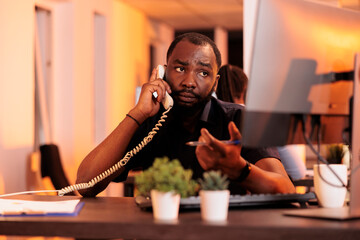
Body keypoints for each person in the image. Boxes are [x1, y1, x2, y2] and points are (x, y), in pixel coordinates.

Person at [76, 32, 295, 197]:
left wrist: (238, 168)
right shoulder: (152, 121)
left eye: (203, 72)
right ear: (163, 72)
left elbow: (286, 189)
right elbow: (86, 182)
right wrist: (138, 113)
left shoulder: (238, 119)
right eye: (180, 69)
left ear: (215, 82)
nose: (189, 82)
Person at [216, 64, 306, 181]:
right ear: (245, 90)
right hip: (259, 193)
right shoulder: (261, 122)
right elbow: (297, 172)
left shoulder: (208, 120)